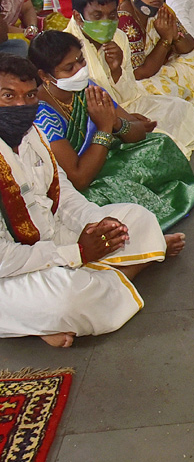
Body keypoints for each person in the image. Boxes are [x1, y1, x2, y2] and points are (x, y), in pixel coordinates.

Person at [0, 54, 179, 346]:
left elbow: (64, 192)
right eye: (8, 96)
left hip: (52, 239)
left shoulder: (31, 133)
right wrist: (76, 254)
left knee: (138, 219)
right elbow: (3, 259)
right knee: (68, 297)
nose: (21, 105)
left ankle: (63, 305)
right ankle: (124, 269)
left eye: (30, 95)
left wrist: (96, 224)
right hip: (9, 270)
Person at [30, 31, 194, 232]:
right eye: (69, 68)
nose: (80, 70)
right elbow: (79, 178)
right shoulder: (43, 115)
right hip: (79, 184)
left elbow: (138, 132)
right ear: (44, 75)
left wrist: (116, 123)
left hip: (107, 157)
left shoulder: (88, 87)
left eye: (81, 61)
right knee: (106, 193)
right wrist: (104, 127)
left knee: (161, 143)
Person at [64, 0, 194, 158]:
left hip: (126, 104)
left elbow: (129, 93)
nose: (106, 22)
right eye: (97, 16)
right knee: (157, 137)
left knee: (181, 108)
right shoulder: (67, 48)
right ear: (78, 17)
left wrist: (117, 69)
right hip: (94, 122)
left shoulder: (119, 37)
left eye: (112, 16)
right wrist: (126, 121)